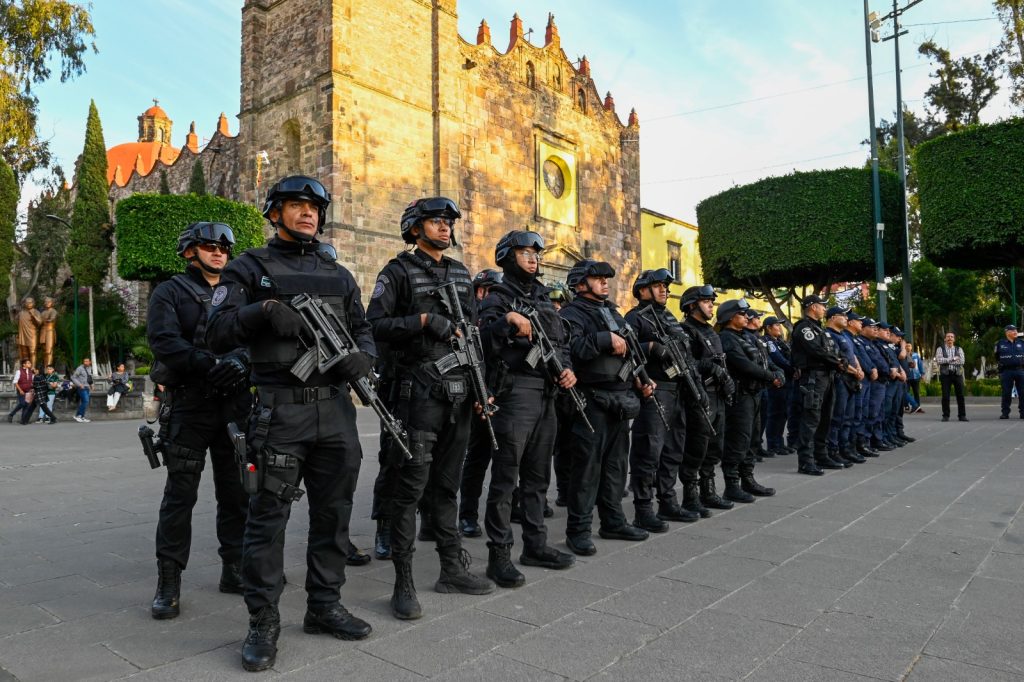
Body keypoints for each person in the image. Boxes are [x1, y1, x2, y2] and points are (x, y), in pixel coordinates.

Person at [207, 176, 374, 670]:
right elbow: (215, 331)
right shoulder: (249, 267)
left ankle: (324, 605)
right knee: (267, 520)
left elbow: (363, 329)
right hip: (280, 411)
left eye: (315, 208)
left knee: (334, 514)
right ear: (274, 212)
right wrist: (261, 312)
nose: (308, 214)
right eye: (297, 205)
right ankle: (263, 620)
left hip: (336, 411)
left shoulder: (338, 274)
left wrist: (364, 358)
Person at [365, 195, 495, 621]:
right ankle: (402, 582)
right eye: (436, 221)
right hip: (417, 396)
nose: (444, 227)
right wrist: (421, 322)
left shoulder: (459, 273)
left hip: (458, 394)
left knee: (446, 486)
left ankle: (451, 569)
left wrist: (482, 389)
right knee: (409, 489)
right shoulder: (397, 271)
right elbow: (374, 326)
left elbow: (472, 333)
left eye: (448, 222)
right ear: (415, 228)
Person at [144, 222, 252, 623]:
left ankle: (235, 568)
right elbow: (164, 341)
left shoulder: (240, 292)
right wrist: (209, 363)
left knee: (236, 493)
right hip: (190, 405)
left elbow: (257, 337)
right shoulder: (169, 292)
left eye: (224, 247)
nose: (219, 252)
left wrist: (242, 361)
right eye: (210, 246)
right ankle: (169, 581)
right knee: (180, 496)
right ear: (190, 251)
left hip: (235, 405)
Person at [477, 230, 576, 587]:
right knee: (506, 479)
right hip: (515, 391)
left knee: (538, 476)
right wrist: (506, 321)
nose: (533, 259)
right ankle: (499, 555)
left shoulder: (544, 298)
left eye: (536, 253)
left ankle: (535, 545)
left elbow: (561, 343)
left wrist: (568, 369)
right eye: (524, 253)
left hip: (547, 392)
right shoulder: (497, 297)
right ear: (507, 257)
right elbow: (482, 341)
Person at [559, 259, 652, 556]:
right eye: (597, 278)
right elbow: (571, 349)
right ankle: (578, 530)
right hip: (591, 400)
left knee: (616, 466)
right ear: (580, 283)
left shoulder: (613, 312)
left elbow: (630, 352)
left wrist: (642, 379)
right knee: (587, 469)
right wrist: (603, 338)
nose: (604, 282)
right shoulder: (571, 314)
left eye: (605, 278)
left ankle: (613, 521)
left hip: (619, 398)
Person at [624, 269, 702, 529]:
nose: (663, 290)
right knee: (649, 450)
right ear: (642, 290)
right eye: (657, 286)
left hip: (678, 389)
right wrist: (649, 347)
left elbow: (686, 353)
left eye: (665, 287)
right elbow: (626, 350)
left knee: (673, 450)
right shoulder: (635, 317)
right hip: (655, 390)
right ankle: (643, 508)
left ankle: (668, 501)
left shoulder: (669, 317)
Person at [678, 285, 736, 515]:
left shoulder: (710, 331)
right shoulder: (686, 330)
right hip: (700, 395)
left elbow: (720, 360)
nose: (711, 305)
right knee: (697, 447)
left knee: (714, 446)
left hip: (717, 394)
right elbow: (687, 363)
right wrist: (710, 367)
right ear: (692, 305)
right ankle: (690, 497)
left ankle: (708, 492)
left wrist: (726, 378)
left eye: (712, 301)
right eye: (706, 302)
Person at [459, 268, 506, 539]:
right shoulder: (470, 317)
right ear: (480, 291)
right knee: (477, 458)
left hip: (503, 392)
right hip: (478, 395)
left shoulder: (500, 313)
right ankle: (467, 514)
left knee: (508, 459)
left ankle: (510, 508)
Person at [717, 299, 781, 499]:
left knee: (753, 439)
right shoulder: (726, 338)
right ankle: (732, 485)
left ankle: (748, 479)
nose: (746, 317)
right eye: (741, 314)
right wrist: (771, 377)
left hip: (755, 394)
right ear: (730, 317)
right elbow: (744, 365)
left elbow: (765, 360)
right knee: (738, 440)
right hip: (740, 396)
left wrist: (778, 372)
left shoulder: (748, 336)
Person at [790, 295, 848, 476]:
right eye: (822, 306)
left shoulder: (819, 329)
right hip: (813, 378)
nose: (824, 309)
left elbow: (833, 349)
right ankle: (805, 461)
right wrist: (837, 362)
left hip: (827, 377)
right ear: (813, 307)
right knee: (811, 419)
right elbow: (816, 350)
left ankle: (821, 455)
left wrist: (842, 360)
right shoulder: (804, 328)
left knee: (825, 418)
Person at [823, 307, 866, 465]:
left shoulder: (843, 335)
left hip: (851, 379)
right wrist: (855, 371)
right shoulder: (828, 335)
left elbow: (852, 355)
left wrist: (858, 368)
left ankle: (846, 448)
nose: (846, 318)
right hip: (840, 379)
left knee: (848, 417)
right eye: (843, 315)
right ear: (833, 317)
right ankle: (833, 450)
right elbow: (836, 359)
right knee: (837, 418)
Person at [762, 316, 795, 457]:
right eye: (776, 325)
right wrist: (793, 368)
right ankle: (773, 444)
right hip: (777, 382)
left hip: (786, 380)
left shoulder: (779, 341)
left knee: (783, 414)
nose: (779, 328)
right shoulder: (768, 342)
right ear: (768, 328)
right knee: (775, 413)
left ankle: (779, 442)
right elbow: (778, 359)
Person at [935, 331, 967, 422]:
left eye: (951, 337)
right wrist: (953, 359)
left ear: (954, 339)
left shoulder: (959, 349)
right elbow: (939, 360)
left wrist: (946, 360)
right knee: (945, 396)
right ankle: (945, 415)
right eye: (948, 336)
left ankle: (962, 415)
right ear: (945, 339)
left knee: (960, 395)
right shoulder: (940, 349)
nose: (950, 338)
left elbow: (962, 361)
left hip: (957, 374)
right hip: (945, 375)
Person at [994, 324, 1024, 419]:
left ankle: (1023, 413)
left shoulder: (1021, 343)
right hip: (1006, 371)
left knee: (1023, 392)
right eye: (1013, 330)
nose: (1015, 332)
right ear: (1007, 332)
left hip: (1020, 370)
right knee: (1006, 393)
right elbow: (997, 357)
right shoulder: (1000, 343)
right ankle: (1005, 413)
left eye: (1016, 330)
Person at [16, 298, 41, 369]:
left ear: (33, 303)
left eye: (30, 302)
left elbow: (39, 323)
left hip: (32, 334)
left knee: (32, 352)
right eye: (27, 303)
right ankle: (26, 367)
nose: (29, 304)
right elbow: (16, 321)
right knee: (24, 353)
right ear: (24, 304)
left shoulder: (36, 312)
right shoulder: (21, 313)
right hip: (23, 334)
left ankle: (33, 367)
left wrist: (33, 316)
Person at [7, 359, 34, 424]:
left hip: (28, 390)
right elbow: (15, 382)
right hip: (21, 390)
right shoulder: (19, 371)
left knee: (27, 405)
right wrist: (20, 390)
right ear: (24, 364)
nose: (30, 364)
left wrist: (32, 389)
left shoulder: (31, 372)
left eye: (30, 363)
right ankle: (11, 414)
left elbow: (31, 382)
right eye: (28, 363)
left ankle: (23, 420)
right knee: (22, 403)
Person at [70, 357, 93, 423]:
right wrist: (79, 385)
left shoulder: (89, 368)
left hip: (87, 387)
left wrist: (91, 384)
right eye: (84, 361)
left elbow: (89, 377)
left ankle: (82, 417)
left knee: (84, 402)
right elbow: (73, 377)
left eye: (87, 361)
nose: (85, 362)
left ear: (90, 362)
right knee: (86, 401)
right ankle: (78, 416)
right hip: (81, 387)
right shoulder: (80, 368)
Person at [38, 297, 58, 368]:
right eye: (46, 302)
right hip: (43, 331)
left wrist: (48, 320)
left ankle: (49, 368)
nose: (47, 303)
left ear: (52, 303)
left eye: (49, 302)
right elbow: (39, 322)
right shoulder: (43, 313)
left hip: (50, 331)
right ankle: (45, 367)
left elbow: (52, 318)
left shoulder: (53, 311)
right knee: (44, 351)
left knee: (49, 351)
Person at [906, 343, 923, 413]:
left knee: (916, 392)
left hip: (916, 376)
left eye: (909, 346)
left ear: (911, 347)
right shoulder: (903, 354)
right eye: (906, 346)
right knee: (906, 392)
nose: (908, 347)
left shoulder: (915, 355)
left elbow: (920, 364)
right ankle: (906, 406)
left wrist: (922, 373)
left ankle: (917, 407)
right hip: (907, 377)